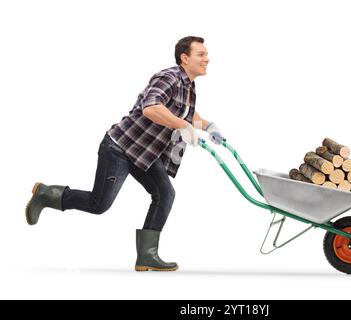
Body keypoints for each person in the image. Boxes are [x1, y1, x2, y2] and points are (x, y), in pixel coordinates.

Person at [25, 36, 225, 272]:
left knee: (165, 193)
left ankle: (147, 256)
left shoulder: (188, 86)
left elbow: (187, 113)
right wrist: (181, 126)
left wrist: (208, 127)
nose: (207, 59)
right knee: (98, 204)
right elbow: (151, 107)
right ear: (185, 57)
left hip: (145, 154)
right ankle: (46, 194)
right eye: (201, 54)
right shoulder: (169, 77)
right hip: (120, 148)